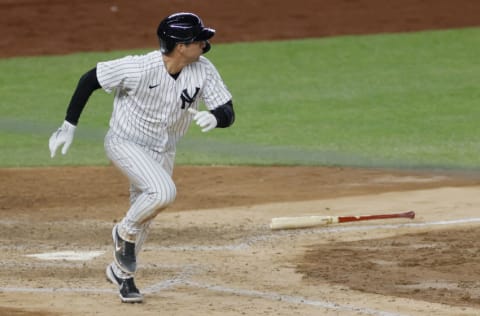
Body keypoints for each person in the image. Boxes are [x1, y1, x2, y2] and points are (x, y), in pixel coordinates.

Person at [48, 12, 235, 303]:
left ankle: (122, 274)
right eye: (199, 39)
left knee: (145, 211)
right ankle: (122, 231)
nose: (206, 43)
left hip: (164, 150)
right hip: (126, 143)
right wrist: (69, 125)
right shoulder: (138, 68)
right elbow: (90, 79)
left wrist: (215, 117)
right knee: (162, 192)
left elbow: (228, 110)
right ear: (181, 45)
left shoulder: (204, 69)